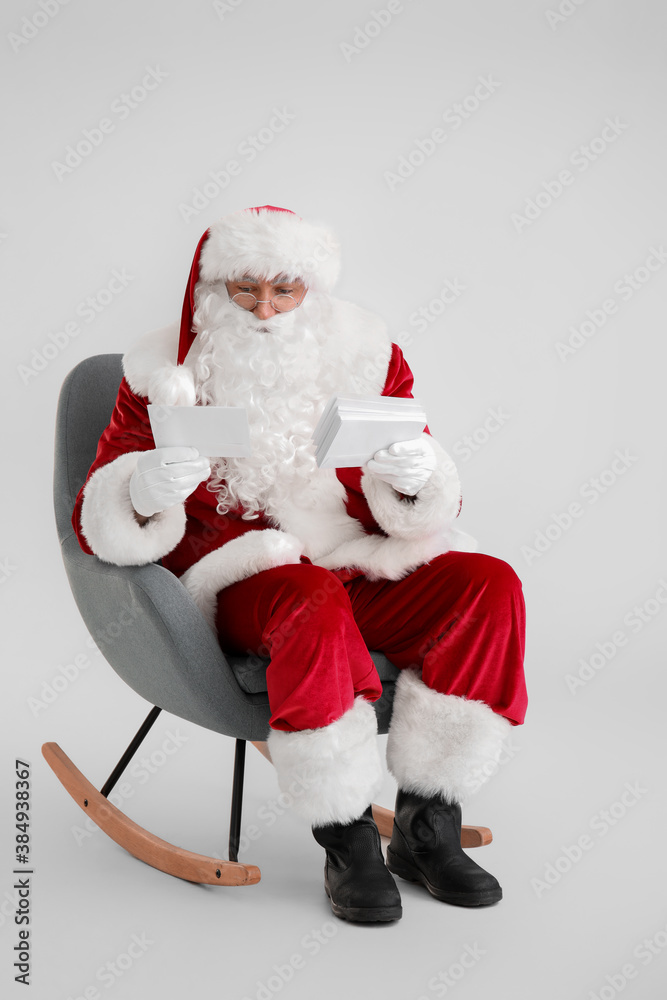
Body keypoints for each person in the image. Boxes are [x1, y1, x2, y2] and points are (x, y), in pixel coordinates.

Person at [72, 204, 527, 924]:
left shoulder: (366, 354)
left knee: (487, 584)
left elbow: (415, 472)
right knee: (307, 599)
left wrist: (415, 476)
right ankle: (345, 838)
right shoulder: (159, 371)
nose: (264, 309)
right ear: (210, 289)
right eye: (244, 290)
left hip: (350, 560)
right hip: (242, 578)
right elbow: (99, 513)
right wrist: (142, 489)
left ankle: (425, 823)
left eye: (285, 290)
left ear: (311, 292)